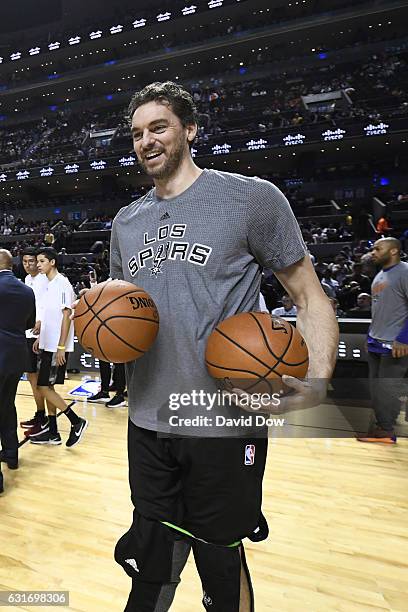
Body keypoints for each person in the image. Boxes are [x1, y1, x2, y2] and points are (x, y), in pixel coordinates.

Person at [74, 82, 338, 611]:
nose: (146, 141)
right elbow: (125, 314)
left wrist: (316, 382)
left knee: (220, 558)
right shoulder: (127, 223)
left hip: (222, 421)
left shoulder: (249, 198)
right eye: (136, 133)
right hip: (148, 420)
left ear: (190, 130)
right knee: (152, 559)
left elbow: (308, 296)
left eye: (159, 127)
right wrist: (94, 330)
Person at [30, 248, 88, 447]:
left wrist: (62, 346)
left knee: (43, 387)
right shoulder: (47, 284)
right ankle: (53, 433)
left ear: (52, 262)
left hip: (57, 345)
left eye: (42, 261)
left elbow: (66, 317)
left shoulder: (62, 283)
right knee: (48, 386)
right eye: (37, 261)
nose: (38, 264)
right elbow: (48, 316)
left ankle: (76, 421)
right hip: (47, 343)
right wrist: (41, 338)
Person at [358, 237, 408, 443]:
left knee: (385, 389)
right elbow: (380, 310)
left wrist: (404, 339)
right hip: (376, 341)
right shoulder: (380, 275)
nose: (373, 252)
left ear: (394, 251)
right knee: (378, 388)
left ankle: (385, 431)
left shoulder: (405, 272)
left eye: (378, 248)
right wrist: (370, 336)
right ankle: (386, 425)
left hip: (395, 343)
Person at [0, 249, 35, 492]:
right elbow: (30, 324)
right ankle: (11, 454)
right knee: (6, 404)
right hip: (15, 355)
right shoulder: (26, 290)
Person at [18, 247, 50, 437]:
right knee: (32, 377)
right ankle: (40, 414)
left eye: (32, 261)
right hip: (28, 333)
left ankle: (46, 419)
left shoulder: (45, 279)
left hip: (42, 335)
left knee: (42, 380)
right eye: (25, 262)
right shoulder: (27, 280)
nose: (29, 265)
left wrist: (42, 329)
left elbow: (48, 306)